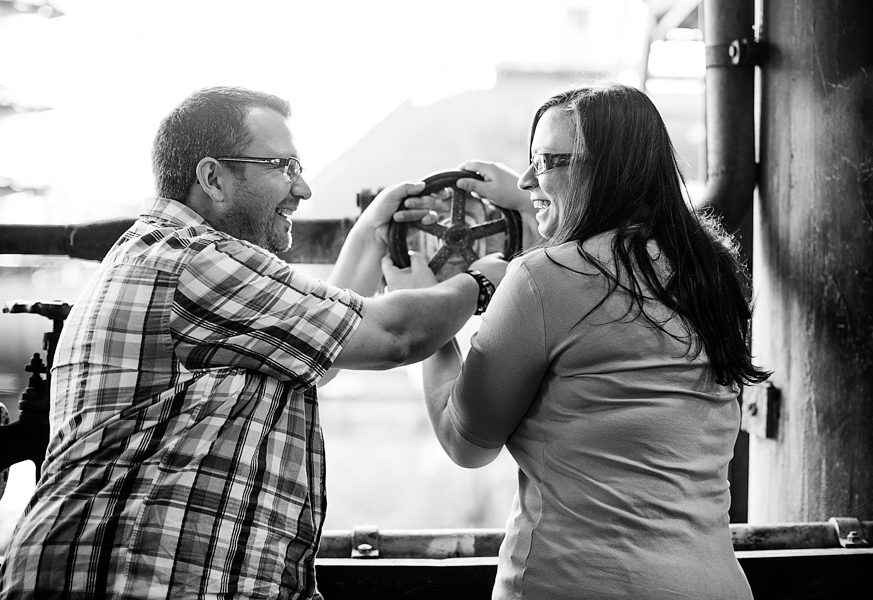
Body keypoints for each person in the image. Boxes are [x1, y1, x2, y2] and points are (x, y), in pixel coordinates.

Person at [0, 86, 504, 600]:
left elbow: (317, 353)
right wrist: (484, 280)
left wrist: (373, 232)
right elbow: (396, 336)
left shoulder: (169, 256)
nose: (303, 189)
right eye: (282, 166)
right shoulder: (190, 260)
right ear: (212, 178)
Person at [387, 83, 771, 599]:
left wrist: (430, 312)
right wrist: (542, 200)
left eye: (546, 161)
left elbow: (465, 442)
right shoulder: (715, 273)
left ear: (609, 168)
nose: (525, 180)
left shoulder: (542, 280)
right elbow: (603, 287)